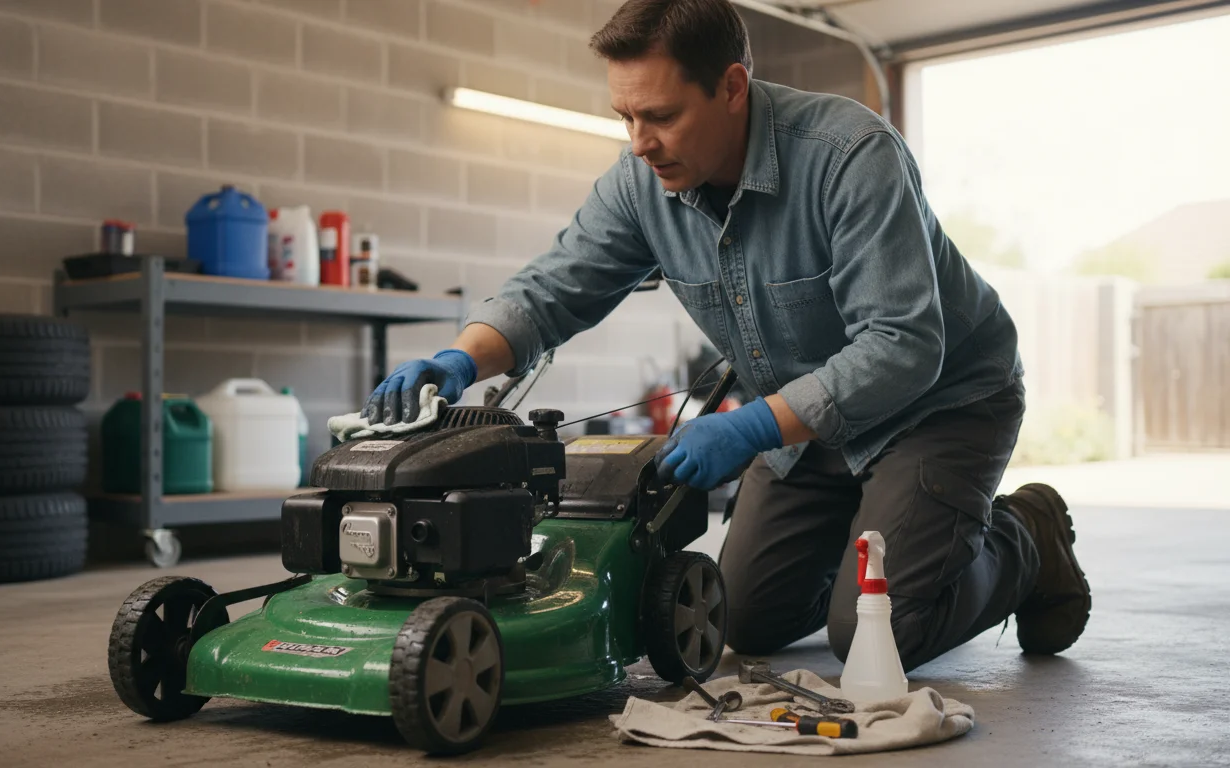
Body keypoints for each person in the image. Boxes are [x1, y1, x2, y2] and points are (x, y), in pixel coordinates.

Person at [360, 0, 1090, 669]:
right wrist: (463, 356)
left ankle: (1029, 536)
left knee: (878, 632)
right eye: (626, 118)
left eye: (662, 116)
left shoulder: (850, 157)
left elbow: (904, 346)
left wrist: (747, 428)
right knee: (742, 618)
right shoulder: (644, 181)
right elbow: (554, 287)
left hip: (939, 405)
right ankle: (891, 531)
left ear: (733, 86)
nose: (641, 143)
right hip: (805, 428)